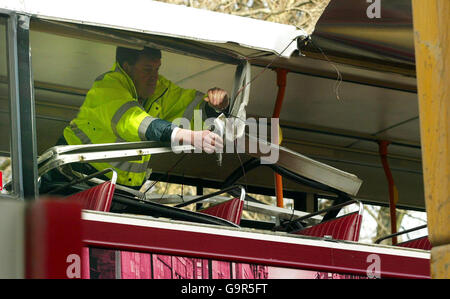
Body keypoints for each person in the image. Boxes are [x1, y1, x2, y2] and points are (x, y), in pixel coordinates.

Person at [49, 46, 229, 190]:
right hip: (71, 179)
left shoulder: (160, 88)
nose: (154, 77)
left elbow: (191, 110)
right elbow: (134, 122)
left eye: (157, 69)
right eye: (147, 69)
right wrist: (187, 136)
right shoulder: (107, 87)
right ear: (127, 67)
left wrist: (214, 105)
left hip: (119, 190)